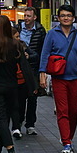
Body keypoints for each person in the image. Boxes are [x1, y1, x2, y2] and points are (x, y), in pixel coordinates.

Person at [39, 4, 77, 153]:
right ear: (58, 18)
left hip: (74, 77)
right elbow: (45, 54)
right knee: (62, 111)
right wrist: (42, 73)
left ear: (73, 18)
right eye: (63, 15)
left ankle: (68, 137)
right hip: (58, 78)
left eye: (69, 15)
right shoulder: (52, 34)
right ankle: (66, 142)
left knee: (73, 111)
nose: (66, 18)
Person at [0, 15, 24, 153]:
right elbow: (23, 64)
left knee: (1, 119)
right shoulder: (15, 44)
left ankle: (10, 150)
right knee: (6, 118)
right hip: (13, 86)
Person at [17, 7, 46, 135]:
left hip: (33, 67)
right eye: (25, 16)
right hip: (19, 67)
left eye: (29, 16)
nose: (26, 18)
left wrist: (42, 70)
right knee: (20, 97)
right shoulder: (18, 29)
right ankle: (18, 122)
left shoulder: (40, 31)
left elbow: (43, 50)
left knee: (33, 97)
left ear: (35, 17)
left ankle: (30, 124)